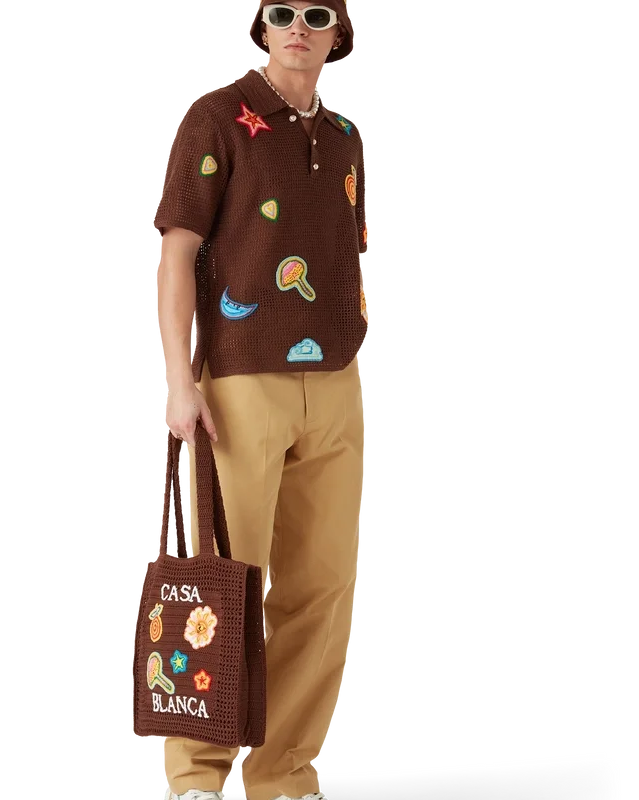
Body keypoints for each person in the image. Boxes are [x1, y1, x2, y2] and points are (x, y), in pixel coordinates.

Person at [152, 2, 369, 799]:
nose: (297, 27)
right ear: (262, 29)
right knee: (222, 583)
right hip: (241, 382)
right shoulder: (216, 118)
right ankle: (196, 773)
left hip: (336, 383)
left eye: (316, 14)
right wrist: (179, 378)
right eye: (282, 13)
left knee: (322, 589)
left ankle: (287, 774)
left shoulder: (343, 137)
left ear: (338, 33)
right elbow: (177, 251)